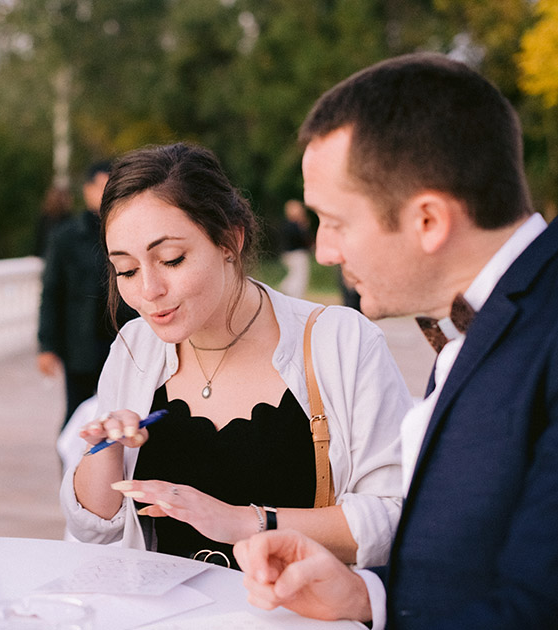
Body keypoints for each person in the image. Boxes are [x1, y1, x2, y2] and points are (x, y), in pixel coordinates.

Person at [234, 53, 558, 629]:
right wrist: (368, 597)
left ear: (428, 220)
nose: (326, 252)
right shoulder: (491, 316)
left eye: (334, 222)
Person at [60, 143, 412, 570]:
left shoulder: (342, 342)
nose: (148, 291)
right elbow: (95, 529)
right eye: (128, 271)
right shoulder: (136, 348)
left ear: (230, 240)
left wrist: (245, 522)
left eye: (171, 259)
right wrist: (107, 450)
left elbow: (392, 520)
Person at [38, 161, 136, 429]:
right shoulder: (66, 237)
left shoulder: (132, 232)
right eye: (102, 187)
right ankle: (72, 470)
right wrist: (46, 346)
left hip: (124, 340)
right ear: (88, 190)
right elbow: (51, 292)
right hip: (80, 346)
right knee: (75, 419)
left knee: (123, 416)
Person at [278, 199, 313, 298]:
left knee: (294, 274)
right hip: (297, 254)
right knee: (300, 276)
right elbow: (303, 240)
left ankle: (287, 289)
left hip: (288, 254)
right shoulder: (296, 226)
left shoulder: (285, 224)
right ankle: (290, 291)